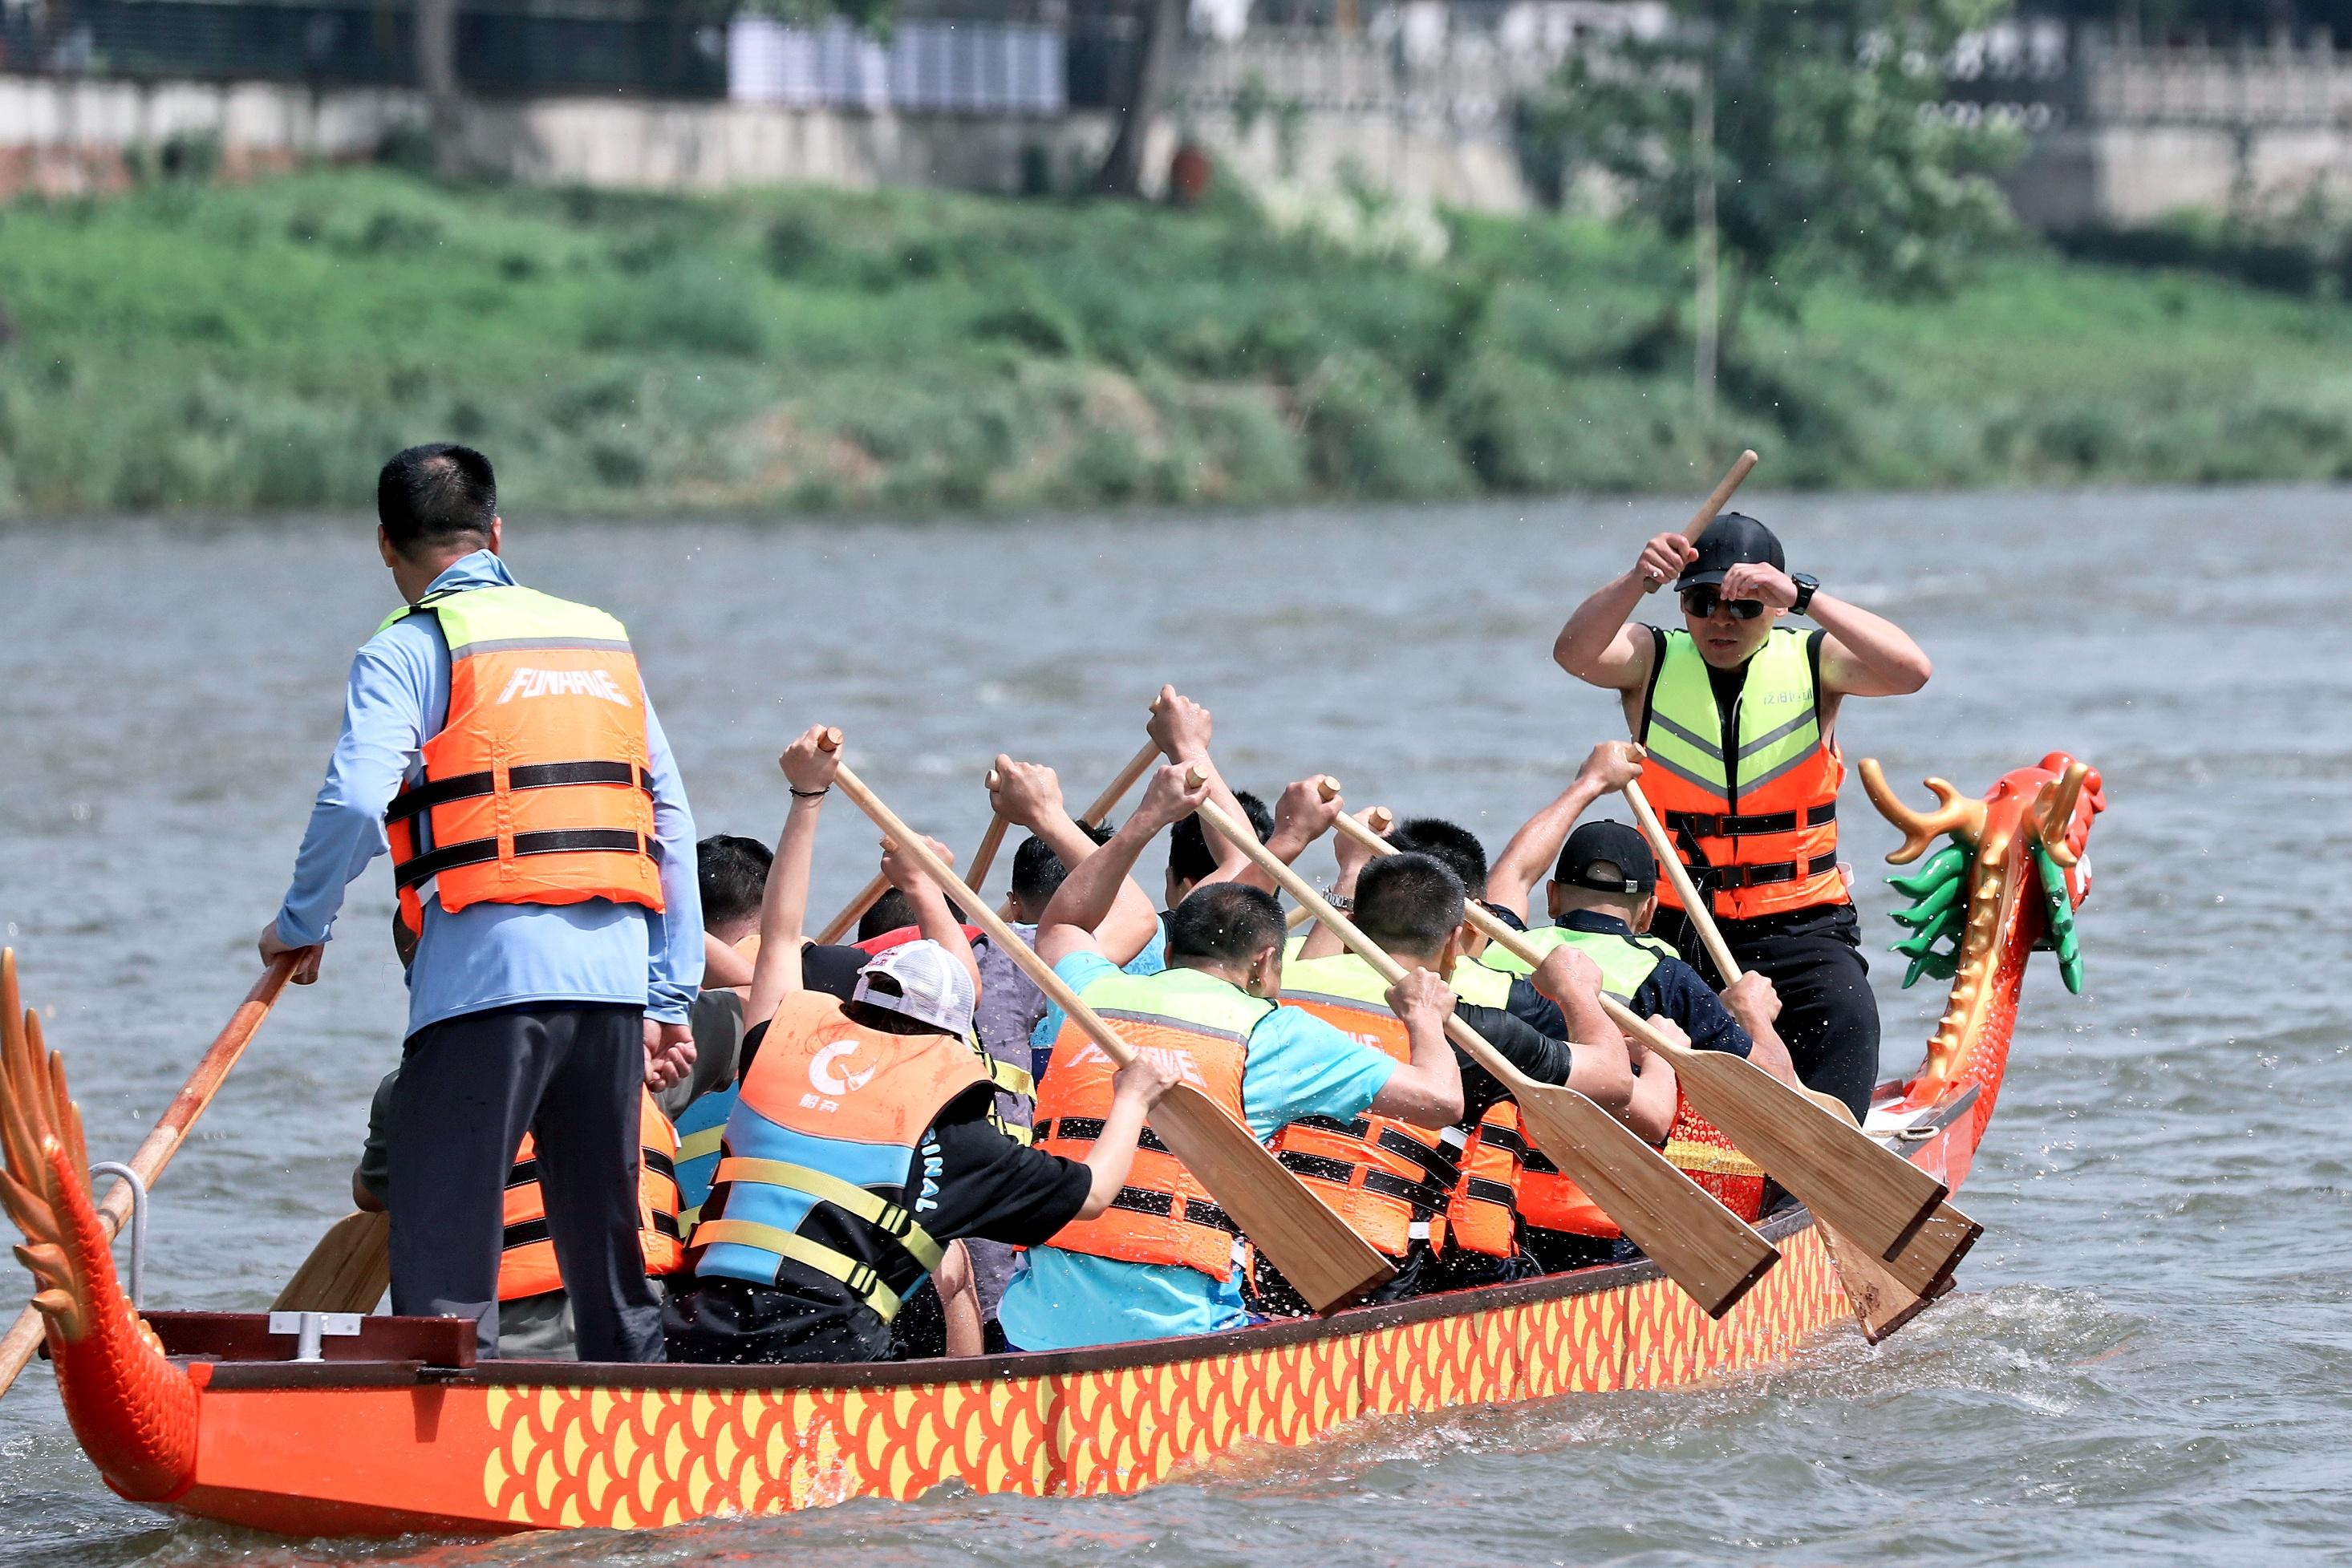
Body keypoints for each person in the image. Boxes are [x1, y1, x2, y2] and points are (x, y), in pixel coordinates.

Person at [261, 444, 698, 1362]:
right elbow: (669, 810)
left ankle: (448, 1458)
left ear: (386, 544)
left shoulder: (407, 647)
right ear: (497, 532)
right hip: (613, 984)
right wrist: (668, 992)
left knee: (447, 1264)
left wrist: (302, 924)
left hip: (486, 984)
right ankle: (645, 1432)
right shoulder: (599, 636)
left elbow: (352, 799)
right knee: (610, 1255)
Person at [663, 728, 1180, 1365]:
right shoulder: (956, 1140)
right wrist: (1134, 1097)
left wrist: (807, 794)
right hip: (826, 1359)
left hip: (690, 1337)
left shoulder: (778, 1053)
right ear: (954, 1041)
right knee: (949, 1264)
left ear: (857, 1007)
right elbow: (1096, 1193)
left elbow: (779, 936)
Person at [997, 764, 1466, 1353]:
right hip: (1182, 1340)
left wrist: (1147, 818)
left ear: (1167, 949)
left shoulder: (1088, 994)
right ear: (1266, 964)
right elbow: (1441, 1099)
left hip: (1033, 1329)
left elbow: (1065, 918)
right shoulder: (1273, 1031)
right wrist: (1425, 1015)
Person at [1552, 512, 1932, 1117]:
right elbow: (1572, 653)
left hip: (1803, 924)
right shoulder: (1647, 659)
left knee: (1850, 1011)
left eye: (1745, 605)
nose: (1721, 620)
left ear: (1774, 607)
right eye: (1702, 601)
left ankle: (1826, 1175)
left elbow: (1912, 671)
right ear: (1682, 604)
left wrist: (1805, 594)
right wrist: (1635, 579)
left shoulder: (1817, 660)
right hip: (1679, 924)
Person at [1267, 851, 1626, 1303]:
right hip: (1388, 1278)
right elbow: (1614, 1080)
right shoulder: (1476, 1031)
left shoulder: (1278, 1001)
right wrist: (1576, 989)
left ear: (1351, 925)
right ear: (1456, 940)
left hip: (1266, 1257)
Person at [1481, 818, 1801, 1270]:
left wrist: (1587, 785)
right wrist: (1755, 1015)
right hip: (1608, 1225)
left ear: (1552, 898)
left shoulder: (1497, 950)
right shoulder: (1663, 973)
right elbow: (1774, 1085)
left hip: (1498, 1209)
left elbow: (1511, 875)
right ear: (1649, 910)